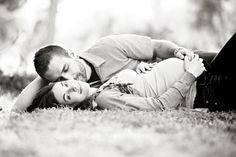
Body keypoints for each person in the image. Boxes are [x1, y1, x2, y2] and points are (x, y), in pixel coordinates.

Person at [26, 33, 236, 112]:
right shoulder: (100, 98)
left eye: (66, 70)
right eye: (62, 81)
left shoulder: (106, 48)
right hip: (200, 84)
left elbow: (154, 47)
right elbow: (158, 104)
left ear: (72, 54)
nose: (71, 80)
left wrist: (176, 52)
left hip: (194, 60)